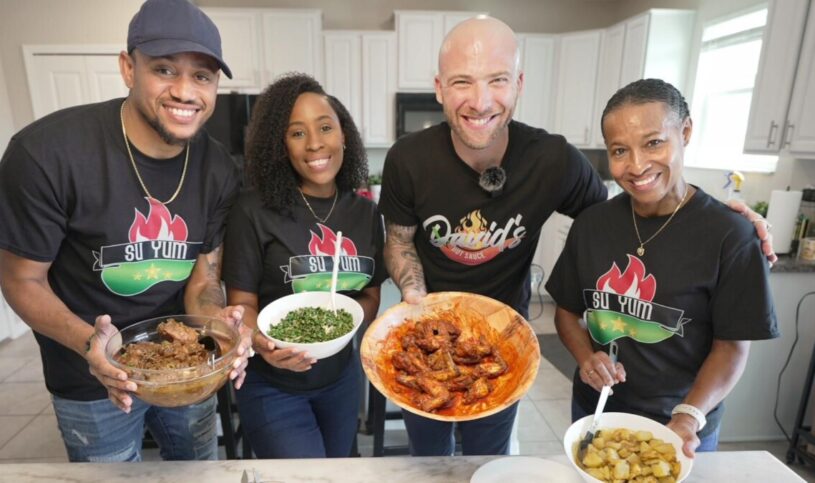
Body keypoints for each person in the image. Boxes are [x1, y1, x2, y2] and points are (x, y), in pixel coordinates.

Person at [378, 16, 776, 457]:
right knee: (427, 457)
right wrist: (416, 300)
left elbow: (623, 208)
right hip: (424, 331)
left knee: (486, 460)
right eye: (461, 82)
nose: (480, 100)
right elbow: (398, 240)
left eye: (497, 80)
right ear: (439, 88)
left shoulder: (553, 160)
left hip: (503, 343)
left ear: (519, 84)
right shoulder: (408, 159)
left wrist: (722, 218)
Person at [0, 0, 251, 462]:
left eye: (202, 76)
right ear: (128, 68)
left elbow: (203, 280)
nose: (185, 91)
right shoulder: (46, 154)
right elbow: (21, 280)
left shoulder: (218, 168)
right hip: (89, 373)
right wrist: (93, 345)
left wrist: (218, 324)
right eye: (164, 69)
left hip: (186, 366)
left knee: (197, 469)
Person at [545, 78, 779, 458]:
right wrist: (587, 358)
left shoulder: (730, 236)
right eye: (620, 150)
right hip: (597, 410)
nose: (637, 165)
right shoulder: (591, 225)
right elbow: (567, 312)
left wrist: (688, 416)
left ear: (684, 132)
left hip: (679, 420)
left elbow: (732, 347)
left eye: (654, 143)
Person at [222, 73, 387, 458]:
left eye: (325, 127)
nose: (314, 143)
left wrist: (338, 327)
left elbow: (370, 295)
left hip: (341, 379)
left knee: (339, 470)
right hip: (272, 385)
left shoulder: (365, 213)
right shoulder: (252, 211)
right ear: (280, 146)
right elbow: (241, 304)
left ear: (343, 135)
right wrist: (263, 344)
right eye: (297, 133)